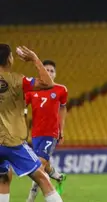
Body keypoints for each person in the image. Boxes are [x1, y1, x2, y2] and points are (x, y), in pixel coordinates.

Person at [0, 44, 63, 202]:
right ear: (9, 59)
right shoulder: (17, 80)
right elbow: (48, 83)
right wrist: (35, 59)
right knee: (42, 178)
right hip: (12, 142)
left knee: (3, 178)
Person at [26, 60, 68, 202]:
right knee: (42, 164)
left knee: (38, 165)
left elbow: (63, 108)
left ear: (55, 74)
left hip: (51, 133)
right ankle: (58, 176)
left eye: (51, 71)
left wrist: (61, 129)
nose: (49, 73)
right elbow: (22, 108)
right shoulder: (32, 90)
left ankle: (31, 198)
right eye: (46, 70)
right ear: (41, 71)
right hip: (36, 133)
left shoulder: (61, 89)